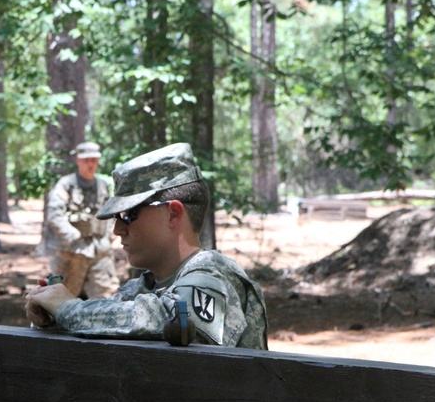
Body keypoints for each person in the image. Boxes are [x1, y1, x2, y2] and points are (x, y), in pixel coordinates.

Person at [26, 142, 268, 349]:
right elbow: (114, 320)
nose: (118, 229)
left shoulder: (215, 275)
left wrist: (69, 309)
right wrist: (53, 316)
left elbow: (170, 317)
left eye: (128, 215)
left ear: (173, 214)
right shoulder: (144, 287)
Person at [38, 141, 119, 298]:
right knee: (61, 299)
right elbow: (54, 214)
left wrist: (110, 236)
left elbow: (111, 213)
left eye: (94, 160)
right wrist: (71, 234)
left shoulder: (102, 185)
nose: (91, 164)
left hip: (100, 251)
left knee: (107, 298)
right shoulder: (66, 184)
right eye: (86, 160)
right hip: (72, 253)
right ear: (78, 160)